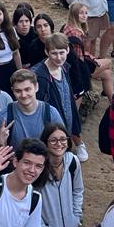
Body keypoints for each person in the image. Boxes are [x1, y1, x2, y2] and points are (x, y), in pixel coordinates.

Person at [33, 33, 87, 162]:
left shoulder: (64, 67)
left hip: (67, 111)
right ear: (46, 52)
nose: (58, 57)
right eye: (54, 53)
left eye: (61, 52)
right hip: (52, 120)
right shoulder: (40, 76)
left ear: (68, 50)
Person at [0, 70, 64, 151]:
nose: (23, 95)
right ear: (12, 90)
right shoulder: (4, 116)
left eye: (27, 89)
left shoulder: (51, 113)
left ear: (36, 87)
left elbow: (63, 143)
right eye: (18, 91)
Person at [62, 1, 113, 97]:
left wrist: (92, 58)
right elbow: (78, 57)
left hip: (76, 63)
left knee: (107, 73)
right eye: (81, 13)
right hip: (78, 68)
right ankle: (89, 85)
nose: (84, 16)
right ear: (74, 14)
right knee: (109, 62)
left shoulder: (67, 26)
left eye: (86, 13)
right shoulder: (75, 32)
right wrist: (92, 61)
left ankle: (108, 95)